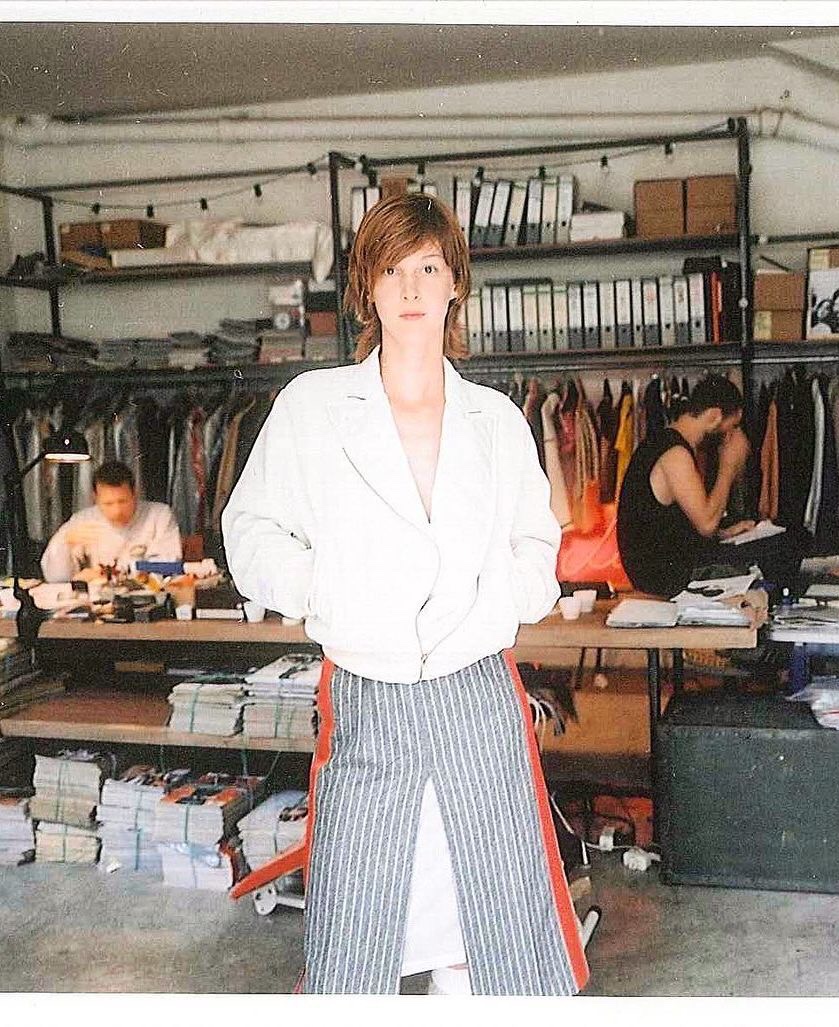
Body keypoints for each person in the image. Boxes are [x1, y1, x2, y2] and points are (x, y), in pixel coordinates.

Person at [222, 193, 587, 996]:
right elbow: (248, 532)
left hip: (475, 693)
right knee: (356, 940)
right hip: (369, 693)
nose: (413, 287)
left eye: (428, 267)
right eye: (392, 269)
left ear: (456, 282)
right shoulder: (313, 408)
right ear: (367, 287)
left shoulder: (496, 419)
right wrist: (325, 589)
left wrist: (501, 599)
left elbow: (537, 543)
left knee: (491, 933)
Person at [616, 375, 801, 598]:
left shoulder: (663, 443)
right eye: (732, 427)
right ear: (714, 416)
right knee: (788, 543)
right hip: (663, 576)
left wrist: (724, 534)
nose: (732, 436)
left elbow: (672, 524)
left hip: (667, 564)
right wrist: (728, 465)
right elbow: (706, 524)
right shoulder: (675, 454)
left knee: (783, 538)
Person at [40, 460, 181, 582]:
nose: (117, 511)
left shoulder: (159, 515)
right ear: (95, 498)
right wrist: (64, 543)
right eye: (108, 503)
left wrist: (113, 575)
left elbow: (168, 565)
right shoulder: (83, 520)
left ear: (135, 494)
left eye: (123, 501)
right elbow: (55, 578)